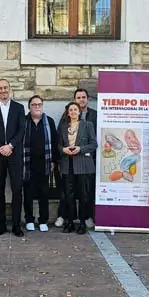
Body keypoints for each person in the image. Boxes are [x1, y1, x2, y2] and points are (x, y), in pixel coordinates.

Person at [0, 79, 25, 237]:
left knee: (17, 189)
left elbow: (21, 130)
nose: (3, 90)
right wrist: (0, 147)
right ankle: (1, 224)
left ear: (10, 89)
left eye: (5, 88)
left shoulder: (19, 108)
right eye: (0, 88)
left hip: (14, 154)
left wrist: (10, 146)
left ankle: (16, 225)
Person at [54, 88, 98, 229]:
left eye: (83, 97)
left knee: (85, 194)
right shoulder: (63, 125)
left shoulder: (90, 121)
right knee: (68, 194)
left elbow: (94, 143)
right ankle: (69, 220)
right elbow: (59, 143)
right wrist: (63, 150)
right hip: (68, 164)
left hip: (84, 163)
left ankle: (85, 220)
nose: (73, 112)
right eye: (78, 97)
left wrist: (81, 149)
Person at [23, 95, 58, 232]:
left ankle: (43, 220)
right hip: (27, 164)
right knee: (28, 193)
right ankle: (29, 219)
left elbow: (54, 142)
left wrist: (54, 161)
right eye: (34, 105)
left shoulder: (49, 121)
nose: (37, 107)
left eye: (39, 104)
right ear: (29, 107)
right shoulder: (24, 121)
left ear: (42, 106)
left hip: (45, 163)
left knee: (44, 193)